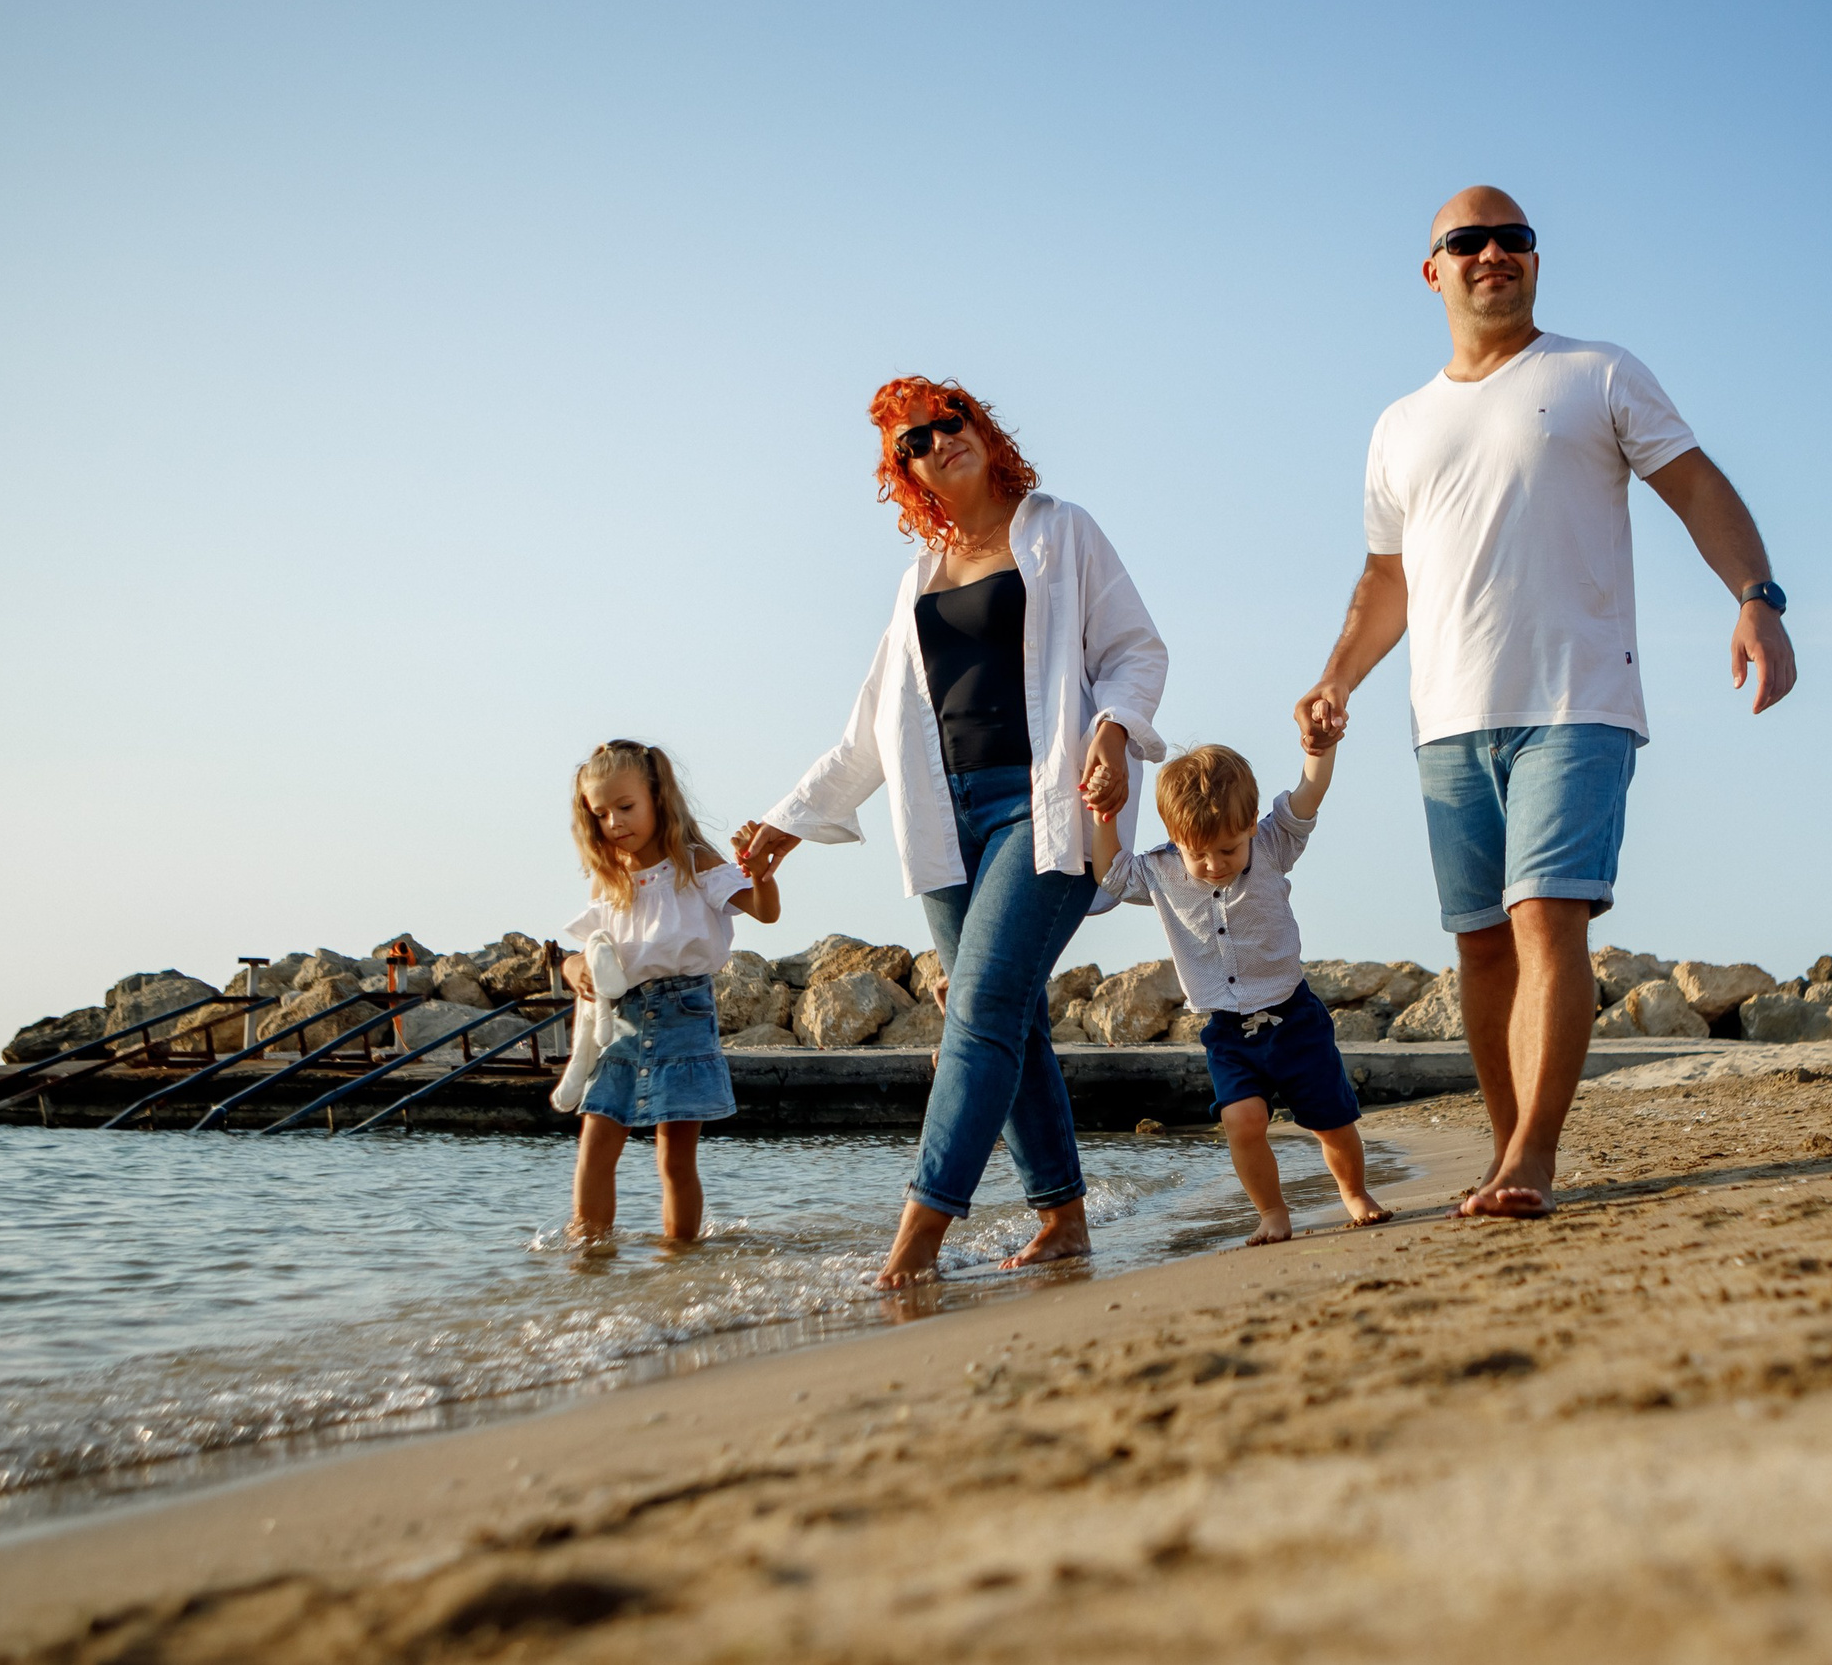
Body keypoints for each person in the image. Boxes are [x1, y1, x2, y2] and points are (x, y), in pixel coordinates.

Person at [1296, 185, 1798, 1220]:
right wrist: (1336, 675)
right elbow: (1386, 576)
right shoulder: (1398, 425)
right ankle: (1501, 1146)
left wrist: (1756, 597)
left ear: (1533, 258)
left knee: (1543, 915)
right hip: (1445, 718)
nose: (1493, 253)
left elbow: (1696, 485)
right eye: (1467, 241)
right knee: (1481, 944)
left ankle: (1534, 1151)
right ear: (1432, 270)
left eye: (1513, 238)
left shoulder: (1596, 373)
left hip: (1577, 699)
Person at [736, 377, 1167, 1288]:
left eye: (949, 420)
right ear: (907, 475)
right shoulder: (918, 580)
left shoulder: (1060, 531)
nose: (938, 441)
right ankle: (1064, 1220)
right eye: (914, 442)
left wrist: (1113, 732)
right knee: (1013, 1021)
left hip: (1044, 805)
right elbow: (872, 729)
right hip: (943, 822)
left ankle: (916, 1240)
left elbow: (1134, 650)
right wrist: (788, 819)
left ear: (981, 426)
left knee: (976, 1013)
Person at [1091, 742, 1389, 1245]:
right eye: (1198, 854)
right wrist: (1105, 815)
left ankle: (1355, 1193)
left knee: (1331, 1121)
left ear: (1250, 824)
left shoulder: (1271, 844)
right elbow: (1111, 874)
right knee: (1241, 1122)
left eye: (1228, 850)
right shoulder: (1162, 870)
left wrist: (1320, 747)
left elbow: (1309, 794)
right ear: (1175, 840)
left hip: (1294, 1019)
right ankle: (1272, 1212)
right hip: (1228, 1032)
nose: (1213, 864)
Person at [558, 739, 780, 1244]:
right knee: (595, 1145)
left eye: (626, 807)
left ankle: (679, 1259)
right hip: (621, 1020)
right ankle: (587, 1255)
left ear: (657, 797)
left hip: (684, 1015)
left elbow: (765, 912)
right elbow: (593, 945)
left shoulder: (694, 862)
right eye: (601, 814)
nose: (614, 822)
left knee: (674, 1159)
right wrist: (573, 967)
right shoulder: (609, 876)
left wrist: (760, 872)